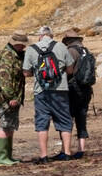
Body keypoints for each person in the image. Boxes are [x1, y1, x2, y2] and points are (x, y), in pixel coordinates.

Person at [22, 25, 75, 163]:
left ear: (40, 36)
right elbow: (70, 70)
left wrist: (38, 72)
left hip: (41, 91)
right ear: (51, 35)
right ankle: (67, 153)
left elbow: (26, 73)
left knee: (42, 122)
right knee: (64, 120)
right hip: (61, 89)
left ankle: (44, 155)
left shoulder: (31, 49)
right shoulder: (62, 47)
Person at [0, 32, 27, 166]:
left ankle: (8, 156)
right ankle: (2, 157)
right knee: (5, 125)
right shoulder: (8, 56)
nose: (24, 47)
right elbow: (5, 80)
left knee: (10, 125)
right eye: (22, 44)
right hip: (7, 98)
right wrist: (11, 97)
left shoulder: (15, 55)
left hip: (14, 96)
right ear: (17, 43)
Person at [62, 28, 94, 159]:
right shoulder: (86, 50)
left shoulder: (71, 51)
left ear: (68, 41)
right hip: (87, 88)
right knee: (82, 118)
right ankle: (81, 149)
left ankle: (66, 149)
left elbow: (68, 70)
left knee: (67, 119)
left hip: (74, 88)